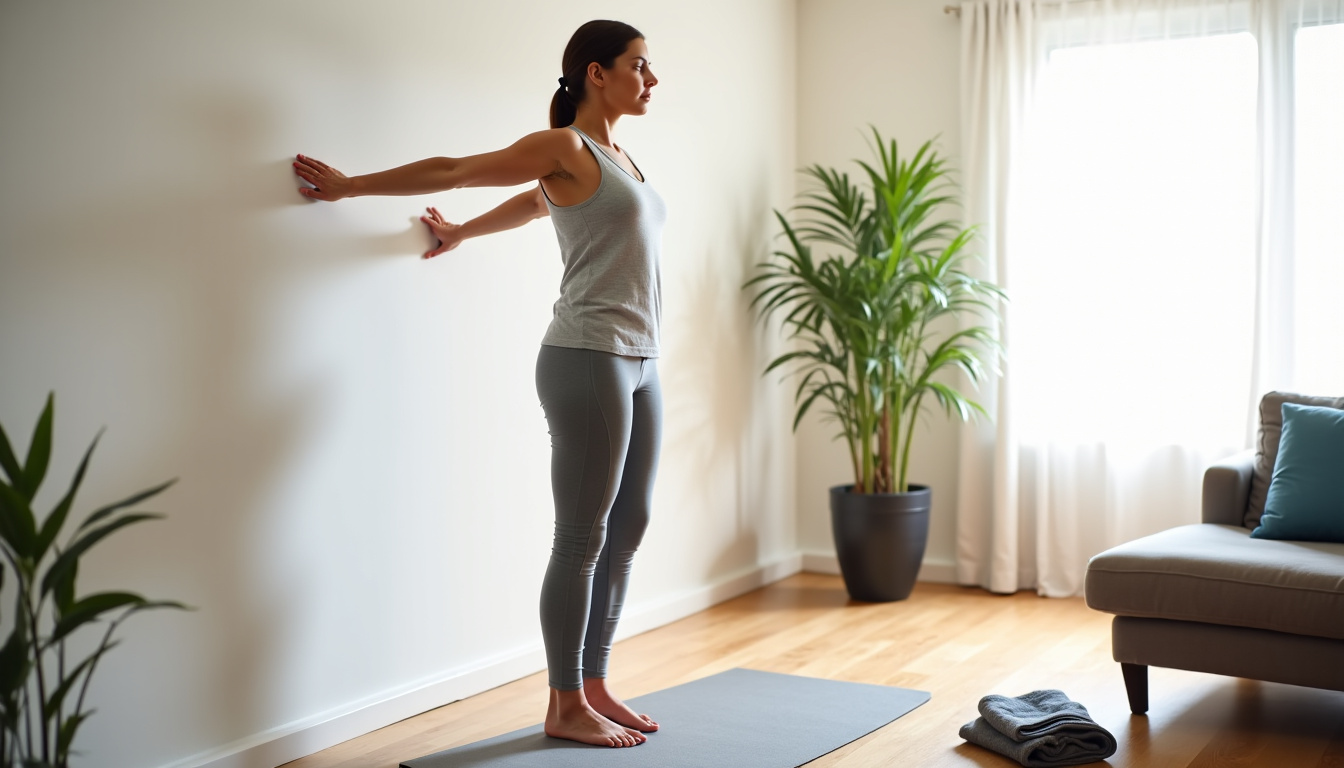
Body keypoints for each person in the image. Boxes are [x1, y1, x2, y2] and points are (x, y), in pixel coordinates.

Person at [292, 20, 663, 749]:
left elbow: (537, 204)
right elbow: (457, 167)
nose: (652, 79)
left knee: (630, 525)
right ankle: (563, 703)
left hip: (643, 358)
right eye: (639, 65)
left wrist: (462, 232)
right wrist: (353, 186)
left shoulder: (618, 157)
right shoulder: (565, 145)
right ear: (596, 73)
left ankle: (593, 683)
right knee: (582, 536)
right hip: (588, 356)